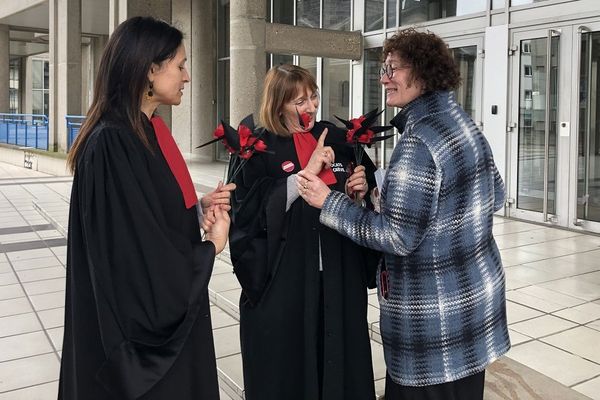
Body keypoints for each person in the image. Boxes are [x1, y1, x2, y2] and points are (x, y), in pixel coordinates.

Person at [298, 28, 510, 400]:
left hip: (434, 325)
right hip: (475, 307)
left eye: (393, 68)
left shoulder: (417, 141)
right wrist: (385, 197)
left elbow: (397, 237)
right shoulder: (462, 122)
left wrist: (327, 202)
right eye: (384, 67)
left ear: (424, 72)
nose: (384, 78)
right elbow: (495, 196)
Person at [59, 16, 233, 400]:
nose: (187, 77)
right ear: (150, 69)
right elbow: (136, 257)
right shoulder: (113, 143)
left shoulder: (144, 130)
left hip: (163, 318)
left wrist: (195, 208)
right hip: (139, 342)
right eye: (181, 65)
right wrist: (211, 247)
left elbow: (143, 213)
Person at [228, 64, 379, 400]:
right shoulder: (256, 145)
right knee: (291, 366)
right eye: (299, 101)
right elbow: (247, 211)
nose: (311, 107)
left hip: (339, 274)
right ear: (278, 103)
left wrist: (359, 190)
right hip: (286, 280)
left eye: (313, 97)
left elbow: (364, 191)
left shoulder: (338, 140)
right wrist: (302, 177)